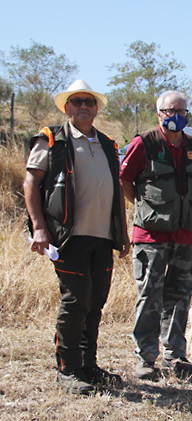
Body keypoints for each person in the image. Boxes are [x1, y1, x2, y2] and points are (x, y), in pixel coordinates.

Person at [23, 79, 130, 395]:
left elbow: (115, 194)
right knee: (76, 301)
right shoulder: (51, 140)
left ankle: (88, 367)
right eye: (77, 101)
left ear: (96, 109)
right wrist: (39, 227)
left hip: (102, 237)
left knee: (95, 302)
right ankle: (68, 370)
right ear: (66, 107)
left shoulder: (108, 145)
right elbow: (31, 185)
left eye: (89, 102)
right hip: (69, 237)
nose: (84, 106)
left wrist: (122, 233)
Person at [120, 91, 192, 379]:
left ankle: (175, 354)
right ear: (159, 113)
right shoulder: (143, 143)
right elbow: (125, 180)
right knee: (149, 297)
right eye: (170, 110)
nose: (176, 115)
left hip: (186, 236)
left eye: (182, 110)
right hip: (151, 236)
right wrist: (147, 209)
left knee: (180, 297)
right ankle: (145, 358)